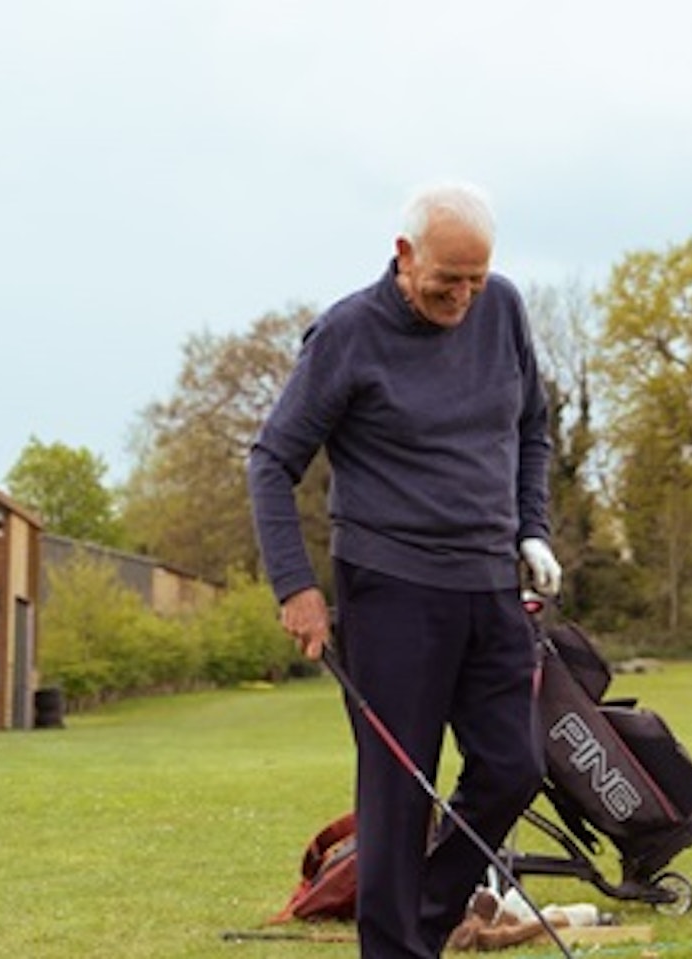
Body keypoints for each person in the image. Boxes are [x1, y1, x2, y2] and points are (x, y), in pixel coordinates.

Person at [246, 181, 561, 959]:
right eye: (446, 279)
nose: (461, 296)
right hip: (390, 590)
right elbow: (271, 460)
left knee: (513, 767)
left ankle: (416, 923)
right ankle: (397, 947)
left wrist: (533, 529)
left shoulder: (503, 309)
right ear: (404, 255)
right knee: (396, 791)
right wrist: (297, 587)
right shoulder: (347, 335)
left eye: (475, 280)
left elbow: (533, 428)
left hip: (491, 583)